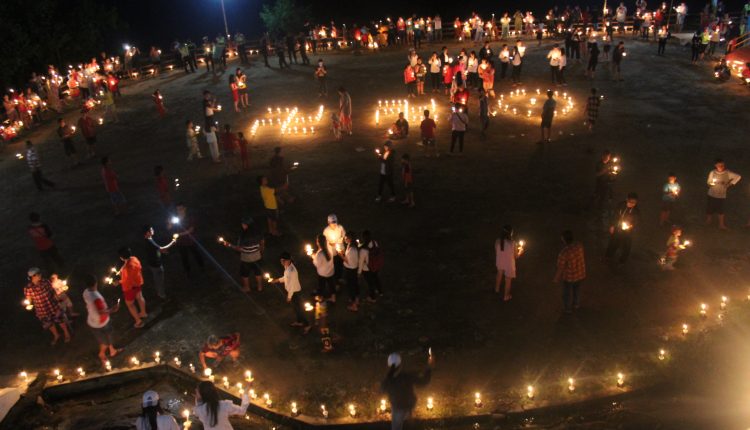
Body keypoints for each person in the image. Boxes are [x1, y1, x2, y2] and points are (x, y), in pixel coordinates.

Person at [381, 352, 433, 430]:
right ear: (401, 365)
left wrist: (389, 376)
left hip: (397, 407)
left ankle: (407, 420)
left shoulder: (389, 379)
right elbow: (423, 382)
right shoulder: (407, 376)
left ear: (388, 365)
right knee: (408, 423)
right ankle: (409, 418)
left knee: (396, 426)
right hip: (409, 405)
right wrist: (429, 368)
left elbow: (382, 388)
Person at [82, 274, 122, 368]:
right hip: (100, 322)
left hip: (93, 319)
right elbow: (101, 312)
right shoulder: (96, 297)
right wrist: (113, 309)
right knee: (105, 342)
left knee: (109, 335)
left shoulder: (86, 292)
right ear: (96, 283)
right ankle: (102, 354)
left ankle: (112, 351)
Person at [24, 267, 71, 345]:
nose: (40, 275)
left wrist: (60, 292)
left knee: (60, 320)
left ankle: (66, 333)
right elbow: (29, 300)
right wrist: (28, 305)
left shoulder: (45, 282)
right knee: (49, 323)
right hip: (42, 310)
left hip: (52, 306)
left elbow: (53, 292)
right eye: (38, 274)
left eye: (40, 273)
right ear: (33, 276)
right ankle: (56, 335)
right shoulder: (28, 288)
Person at [220, 217, 264, 292]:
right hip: (257, 257)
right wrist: (260, 251)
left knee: (245, 274)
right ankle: (260, 287)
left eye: (242, 224)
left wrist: (229, 245)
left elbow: (239, 249)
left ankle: (247, 287)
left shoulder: (243, 236)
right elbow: (262, 243)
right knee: (258, 272)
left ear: (245, 225)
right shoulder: (258, 232)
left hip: (246, 259)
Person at [270, 252, 311, 331]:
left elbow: (292, 286)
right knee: (296, 309)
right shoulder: (288, 267)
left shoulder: (291, 271)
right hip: (293, 292)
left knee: (299, 310)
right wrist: (277, 280)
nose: (281, 262)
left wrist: (289, 297)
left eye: (282, 261)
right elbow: (286, 278)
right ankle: (299, 322)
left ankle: (307, 324)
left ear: (286, 260)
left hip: (295, 293)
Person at [554, 230, 586, 314]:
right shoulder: (579, 246)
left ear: (563, 240)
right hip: (580, 274)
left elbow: (560, 268)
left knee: (567, 294)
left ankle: (567, 309)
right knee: (577, 290)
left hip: (569, 277)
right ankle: (576, 304)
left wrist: (556, 278)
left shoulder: (564, 253)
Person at [115, 247, 147, 328]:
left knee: (130, 304)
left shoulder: (127, 268)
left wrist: (118, 282)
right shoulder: (134, 258)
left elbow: (126, 280)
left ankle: (138, 322)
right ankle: (143, 313)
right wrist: (121, 271)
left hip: (130, 288)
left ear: (121, 257)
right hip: (138, 284)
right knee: (140, 297)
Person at [169, 203, 205, 274]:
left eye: (180, 209)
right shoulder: (176, 218)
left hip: (190, 241)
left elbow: (191, 230)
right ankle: (188, 271)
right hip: (181, 243)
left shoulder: (189, 217)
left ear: (185, 208)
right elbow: (169, 228)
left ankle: (202, 267)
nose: (179, 211)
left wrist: (179, 234)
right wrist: (169, 223)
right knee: (184, 257)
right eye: (177, 209)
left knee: (196, 254)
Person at [605, 192, 641, 263]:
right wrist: (612, 225)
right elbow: (615, 216)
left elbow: (637, 222)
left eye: (634, 203)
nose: (632, 204)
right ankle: (608, 256)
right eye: (630, 202)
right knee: (613, 243)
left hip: (628, 232)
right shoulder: (621, 206)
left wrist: (631, 226)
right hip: (618, 228)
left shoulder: (636, 211)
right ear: (627, 199)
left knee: (626, 246)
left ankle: (622, 261)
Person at [706, 159, 741, 229]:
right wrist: (711, 184)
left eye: (722, 165)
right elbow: (708, 182)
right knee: (710, 208)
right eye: (719, 165)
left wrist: (729, 184)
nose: (721, 167)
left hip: (721, 195)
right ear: (716, 165)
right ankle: (708, 222)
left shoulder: (727, 173)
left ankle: (721, 225)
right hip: (712, 194)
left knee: (721, 210)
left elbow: (738, 177)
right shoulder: (712, 172)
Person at [144, 226, 176, 299]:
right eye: (151, 229)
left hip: (153, 263)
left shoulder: (149, 238)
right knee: (159, 280)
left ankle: (160, 292)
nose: (153, 230)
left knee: (158, 279)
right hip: (156, 265)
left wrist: (163, 252)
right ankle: (162, 295)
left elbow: (156, 249)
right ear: (147, 232)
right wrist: (172, 242)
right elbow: (161, 249)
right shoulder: (149, 241)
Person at [494, 225, 524, 301]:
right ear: (510, 233)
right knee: (508, 279)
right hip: (509, 264)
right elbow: (516, 256)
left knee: (499, 273)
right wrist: (520, 251)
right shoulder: (512, 243)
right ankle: (506, 296)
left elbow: (497, 252)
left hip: (500, 261)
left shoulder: (497, 241)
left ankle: (496, 290)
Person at [359, 230, 384, 302]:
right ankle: (380, 291)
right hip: (376, 265)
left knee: (370, 283)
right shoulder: (374, 242)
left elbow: (361, 262)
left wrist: (359, 272)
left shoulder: (363, 249)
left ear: (363, 237)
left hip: (368, 268)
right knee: (376, 278)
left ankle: (372, 297)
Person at [339, 233, 360, 311]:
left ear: (350, 238)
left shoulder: (352, 250)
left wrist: (340, 254)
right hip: (354, 269)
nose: (345, 239)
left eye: (346, 238)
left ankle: (354, 306)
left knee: (351, 287)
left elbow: (347, 261)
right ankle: (357, 301)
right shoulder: (353, 246)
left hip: (350, 270)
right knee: (355, 285)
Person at [311, 234, 336, 302]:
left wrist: (313, 256)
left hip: (323, 273)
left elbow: (317, 264)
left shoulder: (320, 254)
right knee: (331, 285)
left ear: (318, 242)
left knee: (321, 285)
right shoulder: (330, 248)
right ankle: (333, 298)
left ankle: (320, 297)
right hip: (330, 271)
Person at [323, 213, 346, 282]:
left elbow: (344, 236)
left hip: (341, 250)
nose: (334, 224)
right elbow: (324, 241)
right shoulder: (326, 231)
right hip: (332, 252)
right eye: (332, 223)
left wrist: (341, 239)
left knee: (340, 264)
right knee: (334, 265)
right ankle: (336, 280)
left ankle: (340, 277)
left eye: (335, 222)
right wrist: (329, 243)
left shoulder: (340, 228)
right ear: (328, 222)